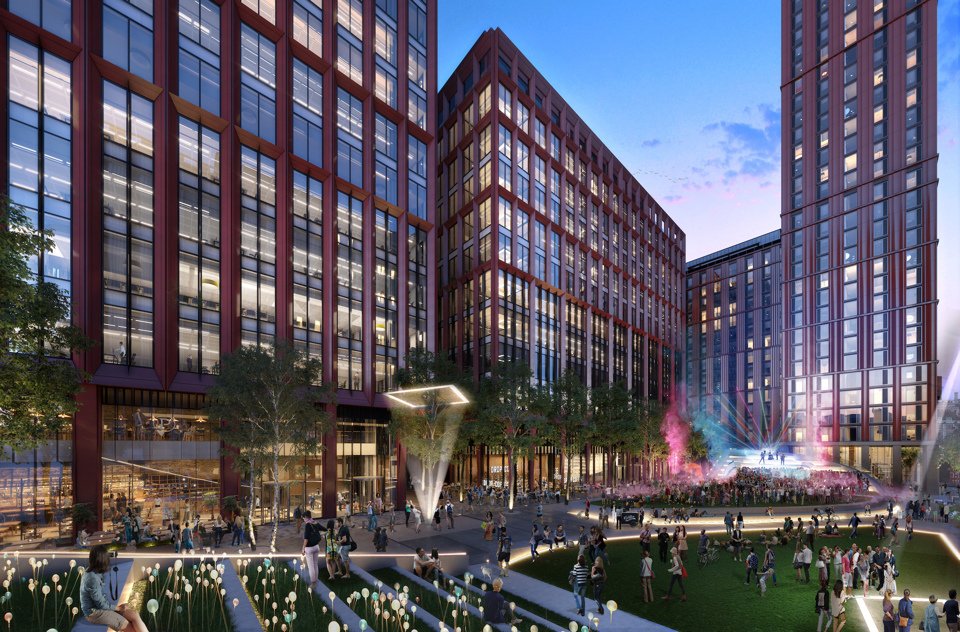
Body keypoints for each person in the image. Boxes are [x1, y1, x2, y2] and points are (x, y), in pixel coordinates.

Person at [81, 546, 148, 632]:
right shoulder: (92, 578)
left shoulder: (93, 570)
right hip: (94, 613)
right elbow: (101, 604)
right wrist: (119, 609)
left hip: (102, 608)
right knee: (132, 629)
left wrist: (118, 608)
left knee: (134, 615)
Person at [301, 510, 325, 588]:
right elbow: (324, 529)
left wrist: (303, 548)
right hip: (316, 547)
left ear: (305, 517)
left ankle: (313, 583)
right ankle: (316, 579)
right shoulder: (315, 522)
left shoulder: (308, 525)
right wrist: (322, 534)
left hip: (309, 548)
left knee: (311, 566)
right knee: (315, 564)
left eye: (303, 518)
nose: (303, 520)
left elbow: (306, 539)